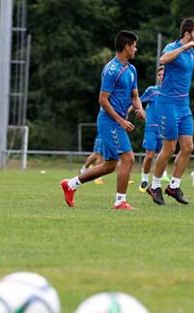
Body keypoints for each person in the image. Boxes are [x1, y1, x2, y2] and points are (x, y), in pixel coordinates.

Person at [59, 31, 145, 210]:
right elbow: (103, 100)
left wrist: (139, 108)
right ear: (127, 46)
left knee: (109, 166)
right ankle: (120, 201)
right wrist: (121, 120)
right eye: (134, 46)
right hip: (109, 121)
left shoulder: (131, 69)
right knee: (128, 158)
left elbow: (135, 95)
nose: (136, 49)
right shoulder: (112, 69)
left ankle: (71, 184)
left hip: (116, 121)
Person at [147, 18, 194, 205]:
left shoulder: (191, 53)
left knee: (188, 147)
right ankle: (154, 186)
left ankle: (174, 186)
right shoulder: (173, 47)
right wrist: (185, 46)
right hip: (168, 104)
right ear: (187, 34)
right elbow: (163, 59)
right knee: (170, 147)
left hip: (183, 105)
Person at [138, 66, 164, 193]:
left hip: (165, 129)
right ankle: (144, 178)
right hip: (151, 128)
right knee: (149, 156)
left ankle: (156, 182)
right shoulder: (152, 90)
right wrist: (135, 110)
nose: (161, 77)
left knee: (162, 156)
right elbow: (138, 101)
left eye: (164, 74)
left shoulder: (172, 92)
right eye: (159, 75)